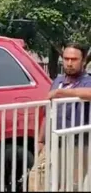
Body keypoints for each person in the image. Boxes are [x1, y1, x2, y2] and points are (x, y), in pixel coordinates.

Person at [37, 42, 91, 191]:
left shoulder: (87, 81)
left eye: (74, 59)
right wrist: (41, 139)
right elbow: (48, 110)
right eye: (66, 59)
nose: (69, 63)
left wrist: (63, 93)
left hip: (77, 144)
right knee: (43, 182)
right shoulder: (58, 81)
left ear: (83, 61)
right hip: (54, 141)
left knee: (71, 186)